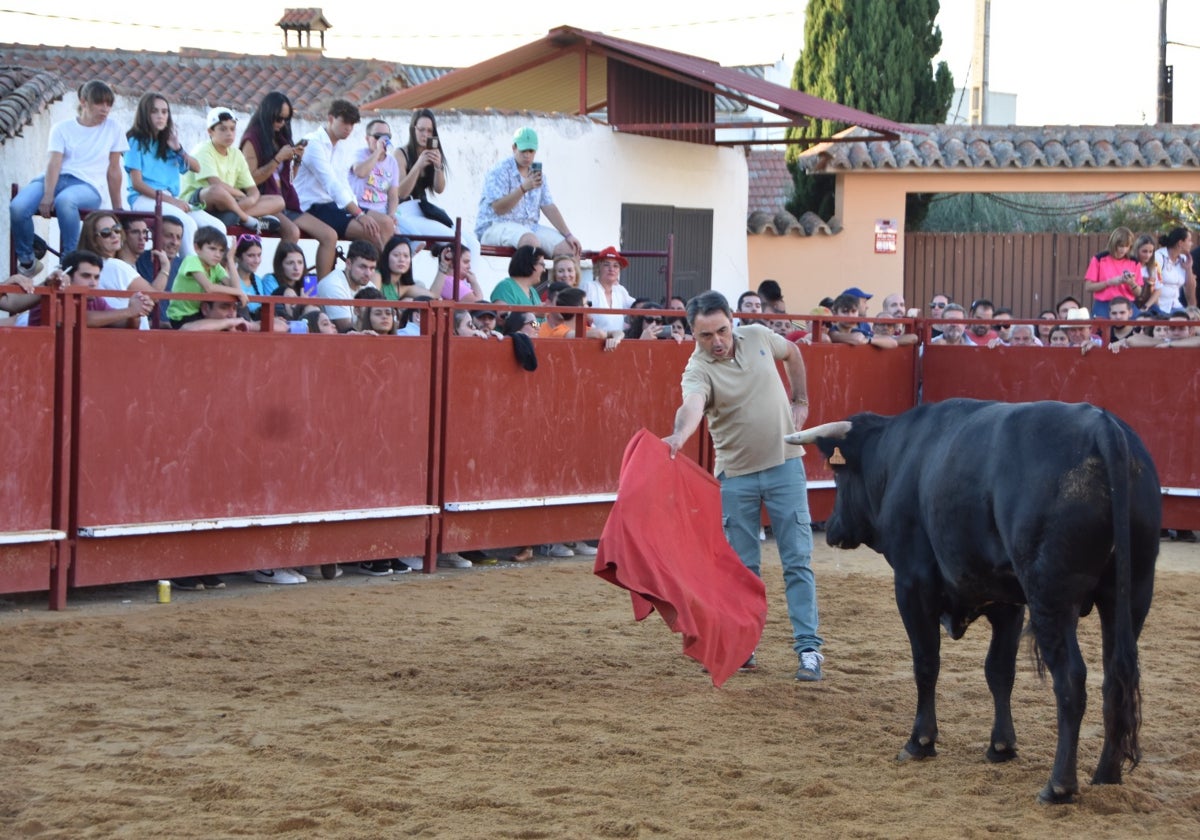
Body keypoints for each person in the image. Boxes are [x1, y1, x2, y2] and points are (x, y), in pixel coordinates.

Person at [662, 291, 823, 681]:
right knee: (743, 569)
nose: (717, 342)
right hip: (736, 477)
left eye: (721, 331)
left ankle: (809, 649)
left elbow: (795, 355)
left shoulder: (758, 335)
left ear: (732, 321)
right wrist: (678, 437)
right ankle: (745, 645)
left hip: (786, 465)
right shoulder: (697, 369)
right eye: (706, 336)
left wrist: (800, 399)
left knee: (797, 560)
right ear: (692, 335)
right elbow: (693, 407)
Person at [10, 80, 127, 278]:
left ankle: (69, 260)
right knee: (18, 207)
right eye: (100, 103)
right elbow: (54, 163)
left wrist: (118, 208)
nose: (105, 109)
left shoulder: (113, 128)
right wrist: (47, 195)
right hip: (54, 179)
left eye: (108, 104)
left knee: (66, 201)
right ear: (83, 101)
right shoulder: (62, 128)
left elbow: (114, 170)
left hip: (88, 185)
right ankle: (28, 260)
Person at [238, 92, 339, 278]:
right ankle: (280, 286)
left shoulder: (281, 138)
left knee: (329, 235)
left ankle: (324, 290)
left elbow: (288, 180)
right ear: (267, 114)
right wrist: (278, 159)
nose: (281, 123)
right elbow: (249, 180)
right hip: (264, 200)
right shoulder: (252, 139)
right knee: (292, 232)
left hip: (285, 201)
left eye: (286, 119)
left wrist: (297, 161)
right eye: (278, 118)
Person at [124, 92, 224, 256]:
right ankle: (191, 276)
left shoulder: (168, 142)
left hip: (169, 199)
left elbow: (196, 167)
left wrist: (178, 149)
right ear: (144, 114)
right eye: (154, 111)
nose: (160, 116)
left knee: (217, 227)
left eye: (164, 112)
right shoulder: (135, 140)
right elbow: (137, 183)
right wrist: (172, 201)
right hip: (144, 199)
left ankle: (212, 275)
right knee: (187, 223)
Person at [293, 99, 395, 251]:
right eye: (345, 122)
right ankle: (380, 272)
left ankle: (384, 270)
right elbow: (331, 183)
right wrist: (359, 214)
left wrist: (357, 210)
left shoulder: (340, 147)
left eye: (352, 124)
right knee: (372, 233)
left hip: (333, 206)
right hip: (312, 205)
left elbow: (343, 182)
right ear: (331, 119)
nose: (348, 128)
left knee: (386, 223)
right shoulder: (313, 143)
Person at [475, 127, 581, 258]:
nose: (527, 155)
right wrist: (523, 189)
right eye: (523, 150)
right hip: (495, 226)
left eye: (531, 151)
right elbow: (498, 209)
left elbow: (549, 206)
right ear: (514, 148)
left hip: (529, 227)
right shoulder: (499, 171)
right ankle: (526, 279)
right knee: (530, 241)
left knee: (569, 249)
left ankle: (555, 279)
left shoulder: (537, 173)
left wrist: (568, 235)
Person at [179, 107, 284, 233]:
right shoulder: (203, 150)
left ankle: (234, 216)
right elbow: (216, 184)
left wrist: (250, 199)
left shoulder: (236, 154)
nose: (229, 133)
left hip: (228, 204)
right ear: (210, 131)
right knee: (216, 191)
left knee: (278, 201)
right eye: (223, 129)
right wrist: (241, 195)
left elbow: (253, 190)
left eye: (232, 129)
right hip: (200, 203)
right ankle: (248, 220)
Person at [393, 109, 479, 253]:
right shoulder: (401, 153)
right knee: (458, 242)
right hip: (405, 211)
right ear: (413, 129)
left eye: (429, 130)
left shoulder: (432, 152)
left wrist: (438, 166)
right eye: (421, 130)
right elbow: (401, 193)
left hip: (424, 210)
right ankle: (454, 275)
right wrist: (418, 165)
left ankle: (469, 276)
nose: (425, 135)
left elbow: (439, 189)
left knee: (473, 244)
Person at [78, 212, 152, 329]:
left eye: (117, 229)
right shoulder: (115, 265)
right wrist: (165, 268)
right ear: (94, 240)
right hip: (129, 338)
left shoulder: (88, 266)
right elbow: (154, 295)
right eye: (106, 233)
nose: (114, 235)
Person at [165, 225, 245, 329]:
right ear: (197, 248)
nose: (218, 254)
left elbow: (235, 287)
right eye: (212, 249)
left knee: (236, 325)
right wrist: (238, 292)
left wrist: (230, 259)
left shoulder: (216, 267)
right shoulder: (191, 260)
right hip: (181, 316)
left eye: (221, 251)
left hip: (200, 313)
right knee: (227, 325)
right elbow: (209, 288)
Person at [317, 240, 378, 332]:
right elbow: (346, 329)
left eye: (372, 268)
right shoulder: (333, 285)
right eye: (362, 267)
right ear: (348, 264)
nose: (368, 273)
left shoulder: (369, 285)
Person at [1082, 227, 1141, 319]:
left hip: (1127, 305)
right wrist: (1109, 282)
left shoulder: (1134, 262)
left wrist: (1131, 283)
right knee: (1100, 330)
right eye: (1120, 246)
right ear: (1113, 244)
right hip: (1104, 304)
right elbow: (1088, 287)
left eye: (1127, 246)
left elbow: (1138, 293)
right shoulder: (1099, 259)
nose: (1123, 250)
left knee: (1141, 323)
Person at [349, 119, 401, 219]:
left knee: (407, 233)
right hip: (361, 209)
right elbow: (360, 172)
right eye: (378, 137)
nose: (383, 140)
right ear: (367, 139)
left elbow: (393, 194)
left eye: (387, 137)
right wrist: (378, 152)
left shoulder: (392, 162)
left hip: (382, 211)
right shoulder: (360, 154)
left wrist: (391, 214)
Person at [582, 246, 637, 334]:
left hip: (618, 342)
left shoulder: (620, 290)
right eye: (606, 265)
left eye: (616, 266)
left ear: (619, 270)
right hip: (594, 341)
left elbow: (636, 306)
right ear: (598, 267)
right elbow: (580, 313)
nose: (611, 269)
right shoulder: (589, 287)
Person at [1154, 227, 1196, 314]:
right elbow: (1155, 285)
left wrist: (1188, 269)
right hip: (1159, 306)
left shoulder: (1184, 258)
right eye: (1189, 240)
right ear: (1180, 243)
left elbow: (1190, 289)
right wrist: (1157, 311)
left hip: (1176, 305)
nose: (1191, 244)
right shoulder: (1158, 257)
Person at [379, 236, 430, 301]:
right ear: (386, 257)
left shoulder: (403, 288)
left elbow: (433, 295)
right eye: (396, 255)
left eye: (406, 256)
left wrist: (444, 265)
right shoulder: (377, 276)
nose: (402, 260)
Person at [232, 234, 266, 320]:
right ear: (237, 258)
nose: (257, 260)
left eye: (259, 255)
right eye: (251, 256)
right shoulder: (229, 279)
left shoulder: (258, 281)